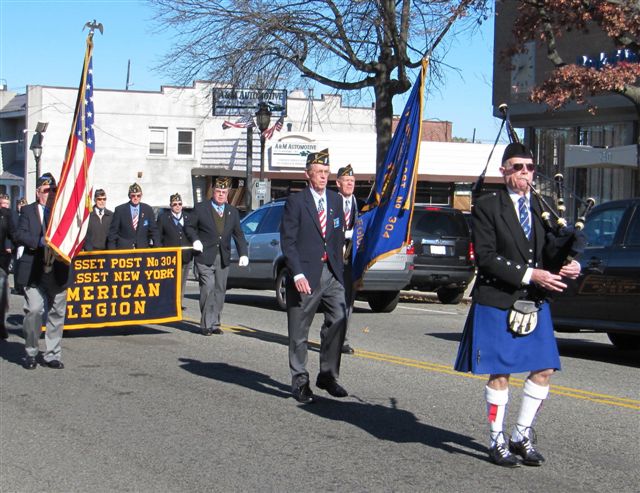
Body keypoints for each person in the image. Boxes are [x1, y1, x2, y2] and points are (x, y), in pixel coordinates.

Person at [454, 143, 581, 467]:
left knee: (545, 368)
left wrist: (569, 264)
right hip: (498, 298)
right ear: (503, 171)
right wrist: (531, 274)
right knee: (500, 373)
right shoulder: (487, 205)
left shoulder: (542, 208)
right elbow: (485, 257)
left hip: (533, 301)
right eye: (517, 167)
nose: (524, 173)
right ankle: (496, 438)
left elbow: (551, 253)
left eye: (529, 167)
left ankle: (521, 434)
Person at [280, 149, 348, 404]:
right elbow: (288, 241)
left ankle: (328, 375)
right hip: (306, 273)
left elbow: (338, 235)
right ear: (308, 174)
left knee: (340, 317)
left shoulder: (335, 200)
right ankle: (299, 380)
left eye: (326, 172)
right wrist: (296, 272)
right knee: (299, 329)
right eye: (318, 172)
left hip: (331, 272)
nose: (323, 176)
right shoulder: (296, 202)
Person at [15, 173, 71, 369]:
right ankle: (31, 352)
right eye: (47, 190)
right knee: (34, 311)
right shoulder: (28, 211)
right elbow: (19, 234)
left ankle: (52, 354)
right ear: (38, 192)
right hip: (34, 270)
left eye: (54, 190)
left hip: (57, 270)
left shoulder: (62, 211)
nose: (51, 193)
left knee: (57, 313)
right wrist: (36, 242)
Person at [186, 177, 248, 336]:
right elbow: (189, 227)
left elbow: (239, 235)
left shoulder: (232, 212)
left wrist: (243, 253)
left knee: (220, 290)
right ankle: (206, 324)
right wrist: (196, 240)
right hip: (204, 254)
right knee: (208, 287)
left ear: (228, 193)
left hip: (223, 256)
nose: (221, 195)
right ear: (213, 192)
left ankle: (215, 323)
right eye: (218, 192)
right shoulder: (201, 208)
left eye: (224, 192)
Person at [157, 193, 196, 309]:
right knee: (171, 281)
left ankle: (179, 302)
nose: (177, 206)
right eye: (175, 204)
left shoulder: (188, 217)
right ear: (170, 206)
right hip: (170, 256)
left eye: (179, 204)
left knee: (182, 281)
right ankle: (169, 302)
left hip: (185, 255)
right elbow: (158, 236)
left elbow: (193, 234)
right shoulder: (164, 218)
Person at [335, 164, 358, 354]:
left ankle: (342, 339)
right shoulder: (332, 201)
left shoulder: (361, 204)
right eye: (346, 181)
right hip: (333, 260)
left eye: (352, 181)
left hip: (351, 261)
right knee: (333, 300)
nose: (350, 184)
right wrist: (343, 234)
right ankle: (330, 333)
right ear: (338, 183)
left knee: (348, 301)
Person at [107, 183, 160, 249]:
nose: (136, 198)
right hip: (125, 249)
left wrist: (157, 248)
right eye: (133, 195)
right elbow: (113, 232)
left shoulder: (147, 209)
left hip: (142, 249)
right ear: (129, 195)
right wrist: (112, 251)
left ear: (141, 196)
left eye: (138, 195)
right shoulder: (120, 210)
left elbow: (154, 231)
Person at [0, 207, 15, 340]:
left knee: (1, 294)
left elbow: (14, 234)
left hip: (1, 260)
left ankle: (0, 324)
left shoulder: (6, 214)